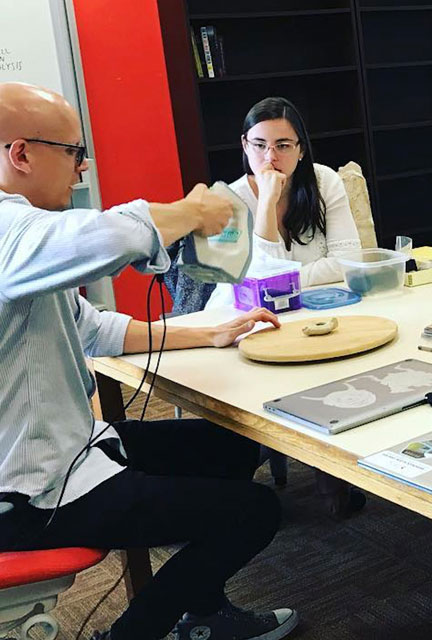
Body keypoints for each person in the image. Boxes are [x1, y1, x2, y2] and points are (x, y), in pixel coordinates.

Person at [0, 82, 299, 640]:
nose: (81, 169)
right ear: (20, 154)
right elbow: (106, 235)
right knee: (253, 512)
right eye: (71, 153)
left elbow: (92, 329)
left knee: (229, 444)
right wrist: (191, 210)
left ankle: (205, 615)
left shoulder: (22, 241)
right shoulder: (9, 232)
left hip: (64, 448)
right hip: (28, 493)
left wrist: (208, 333)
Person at [205, 96, 361, 308]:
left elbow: (348, 263)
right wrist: (267, 202)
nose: (270, 157)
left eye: (283, 145)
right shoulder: (225, 201)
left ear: (301, 150)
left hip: (315, 306)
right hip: (238, 316)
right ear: (245, 145)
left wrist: (284, 281)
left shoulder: (324, 181)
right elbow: (262, 289)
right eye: (259, 145)